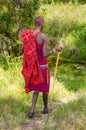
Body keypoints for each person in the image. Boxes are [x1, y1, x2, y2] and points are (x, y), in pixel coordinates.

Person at [21, 16, 63, 118]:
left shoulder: (28, 35)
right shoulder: (43, 37)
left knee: (36, 89)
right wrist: (55, 50)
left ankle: (32, 111)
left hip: (34, 67)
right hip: (43, 67)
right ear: (42, 24)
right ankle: (45, 109)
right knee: (44, 89)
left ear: (35, 23)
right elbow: (44, 54)